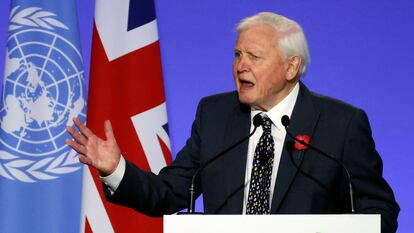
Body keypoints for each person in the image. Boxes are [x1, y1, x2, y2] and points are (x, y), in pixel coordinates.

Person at [67, 12, 399, 233]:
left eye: (254, 57)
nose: (241, 66)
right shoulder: (214, 116)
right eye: (238, 55)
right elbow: (170, 193)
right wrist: (116, 169)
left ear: (291, 67)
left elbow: (380, 212)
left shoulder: (340, 125)